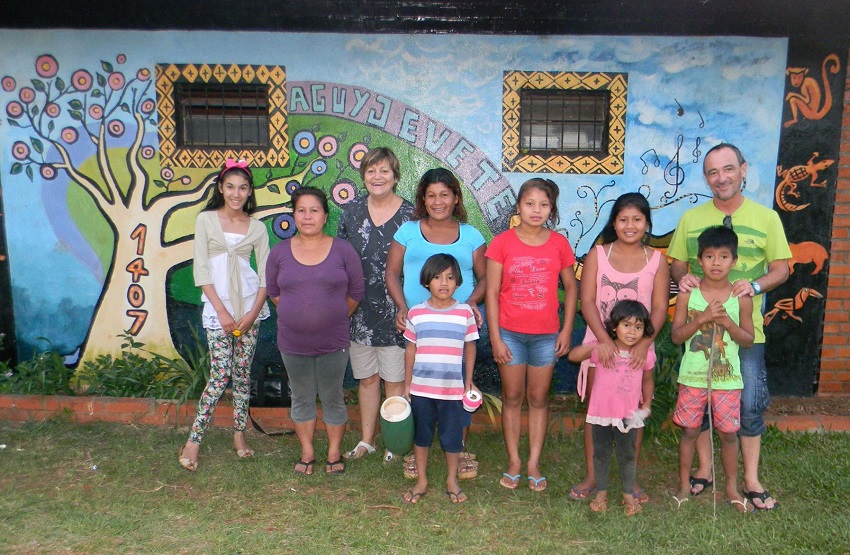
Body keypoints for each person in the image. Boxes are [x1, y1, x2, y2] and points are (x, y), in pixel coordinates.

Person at [668, 143, 790, 510]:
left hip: (745, 332)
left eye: (727, 169)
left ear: (743, 169)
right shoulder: (692, 218)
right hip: (700, 331)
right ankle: (703, 470)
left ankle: (750, 479)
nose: (721, 178)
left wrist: (753, 286)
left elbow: (782, 269)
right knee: (702, 400)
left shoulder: (767, 218)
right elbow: (676, 263)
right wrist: (685, 278)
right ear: (706, 178)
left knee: (749, 404)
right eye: (712, 172)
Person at [570, 192, 670, 503]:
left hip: (637, 347)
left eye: (637, 220)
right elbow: (586, 301)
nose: (630, 225)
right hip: (600, 342)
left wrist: (644, 343)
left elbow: (659, 308)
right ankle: (592, 475)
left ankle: (630, 478)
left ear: (647, 224)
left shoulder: (657, 260)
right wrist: (603, 340)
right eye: (623, 219)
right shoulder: (598, 254)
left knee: (633, 410)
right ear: (614, 222)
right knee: (596, 411)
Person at [386, 167, 486, 477]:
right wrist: (402, 307)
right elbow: (392, 273)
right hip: (420, 326)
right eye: (431, 196)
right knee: (420, 390)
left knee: (459, 387)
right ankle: (420, 451)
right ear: (423, 200)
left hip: (456, 329)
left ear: (456, 197)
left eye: (445, 195)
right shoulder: (407, 232)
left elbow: (486, 278)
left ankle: (460, 448)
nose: (438, 201)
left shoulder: (471, 235)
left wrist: (470, 305)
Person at [485, 178, 578, 492]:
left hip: (546, 336)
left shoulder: (559, 244)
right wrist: (496, 338)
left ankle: (533, 463)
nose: (536, 210)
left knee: (538, 399)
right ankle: (514, 461)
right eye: (529, 203)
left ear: (551, 209)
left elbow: (572, 287)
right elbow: (492, 292)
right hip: (509, 333)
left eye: (543, 204)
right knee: (512, 397)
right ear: (519, 207)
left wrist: (566, 330)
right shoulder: (502, 243)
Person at [179, 159, 270, 472]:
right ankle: (194, 440)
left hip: (249, 311)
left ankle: (240, 436)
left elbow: (265, 276)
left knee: (242, 375)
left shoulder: (257, 227)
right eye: (230, 186)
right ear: (220, 188)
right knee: (220, 376)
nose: (236, 193)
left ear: (249, 192)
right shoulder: (206, 220)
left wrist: (252, 312)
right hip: (219, 310)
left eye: (243, 187)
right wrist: (221, 311)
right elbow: (202, 269)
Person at [266, 186, 364, 476]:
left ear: (325, 216)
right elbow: (274, 291)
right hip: (292, 341)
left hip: (334, 341)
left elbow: (356, 290)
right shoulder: (280, 252)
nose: (307, 216)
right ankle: (307, 451)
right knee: (302, 395)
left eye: (314, 210)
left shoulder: (343, 250)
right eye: (301, 210)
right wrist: (298, 314)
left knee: (333, 395)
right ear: (294, 215)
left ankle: (334, 452)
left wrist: (332, 316)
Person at [337, 147, 415, 462]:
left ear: (395, 175)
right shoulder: (352, 211)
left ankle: (394, 444)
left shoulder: (410, 214)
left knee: (395, 380)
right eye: (371, 171)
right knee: (367, 379)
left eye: (384, 170)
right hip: (359, 311)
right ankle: (367, 441)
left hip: (398, 312)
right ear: (363, 176)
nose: (377, 176)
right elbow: (341, 259)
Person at [671, 226, 754, 512]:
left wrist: (729, 324)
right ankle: (683, 484)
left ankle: (730, 486)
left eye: (723, 256)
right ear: (698, 260)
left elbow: (748, 339)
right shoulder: (688, 294)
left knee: (729, 434)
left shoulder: (740, 296)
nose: (716, 263)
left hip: (728, 380)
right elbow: (676, 336)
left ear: (734, 260)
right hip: (693, 377)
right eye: (709, 256)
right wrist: (702, 319)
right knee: (690, 431)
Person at [401, 254, 480, 504]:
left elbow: (470, 347)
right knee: (421, 436)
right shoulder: (416, 313)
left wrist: (468, 380)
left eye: (449, 277)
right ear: (427, 281)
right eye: (437, 277)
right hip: (422, 390)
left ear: (458, 282)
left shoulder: (465, 313)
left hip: (452, 391)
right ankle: (422, 480)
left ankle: (451, 480)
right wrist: (406, 385)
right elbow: (410, 349)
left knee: (452, 438)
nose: (443, 282)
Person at [568, 300, 656, 515]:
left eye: (638, 327)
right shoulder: (603, 351)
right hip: (601, 414)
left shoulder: (645, 355)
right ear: (614, 327)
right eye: (627, 325)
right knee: (601, 454)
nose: (632, 332)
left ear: (645, 331)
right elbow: (573, 356)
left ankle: (628, 494)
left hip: (628, 417)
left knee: (628, 454)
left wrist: (646, 405)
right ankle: (601, 493)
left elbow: (647, 381)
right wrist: (596, 345)